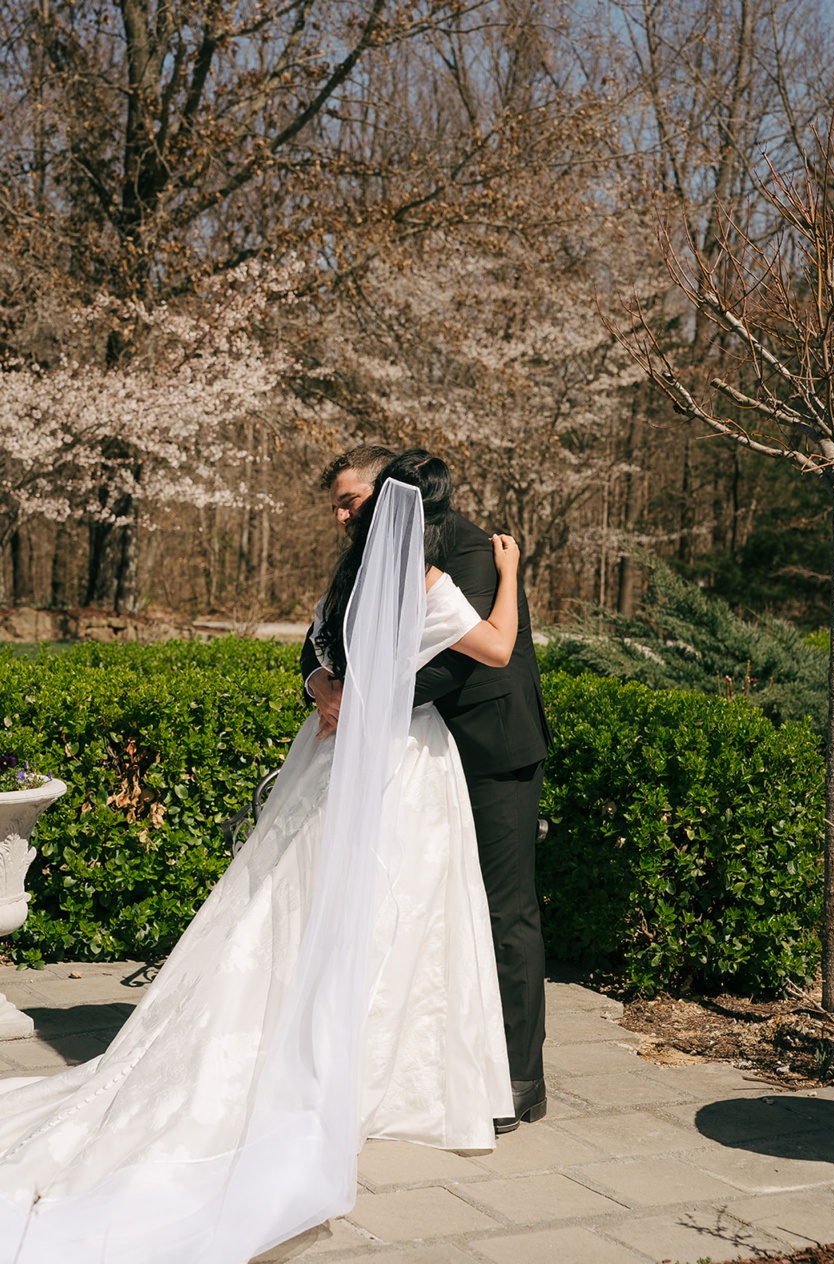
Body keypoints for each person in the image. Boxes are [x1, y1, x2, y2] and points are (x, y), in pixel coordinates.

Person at [0, 458, 521, 1261]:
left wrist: (324, 686)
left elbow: (321, 646)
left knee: (302, 899)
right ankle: (366, 1075)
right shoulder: (432, 585)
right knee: (397, 908)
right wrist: (511, 576)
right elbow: (499, 649)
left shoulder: (349, 582)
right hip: (400, 759)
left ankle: (310, 1049)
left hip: (329, 755)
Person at [302, 446, 551, 1133]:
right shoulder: (372, 553)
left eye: (351, 502)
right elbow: (321, 636)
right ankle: (436, 1061)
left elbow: (456, 667)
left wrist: (360, 700)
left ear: (388, 492)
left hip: (490, 750)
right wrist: (322, 685)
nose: (343, 519)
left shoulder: (474, 552)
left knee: (503, 909)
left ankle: (520, 1076)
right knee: (420, 905)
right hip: (411, 753)